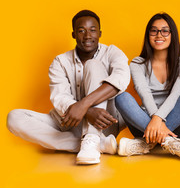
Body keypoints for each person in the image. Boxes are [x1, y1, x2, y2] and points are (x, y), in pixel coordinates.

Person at [7, 10, 130, 165]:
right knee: (14, 118)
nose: (87, 36)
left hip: (102, 122)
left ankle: (92, 139)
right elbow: (60, 98)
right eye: (81, 31)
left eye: (92, 30)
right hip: (69, 121)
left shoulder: (112, 52)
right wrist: (87, 112)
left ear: (100, 33)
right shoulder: (60, 61)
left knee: (93, 65)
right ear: (73, 34)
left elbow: (121, 80)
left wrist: (84, 105)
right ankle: (97, 145)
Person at [115, 13, 180, 160]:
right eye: (154, 30)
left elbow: (176, 94)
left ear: (172, 34)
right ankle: (169, 142)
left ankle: (145, 144)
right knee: (121, 97)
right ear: (148, 35)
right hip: (144, 125)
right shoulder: (137, 63)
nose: (159, 35)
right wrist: (155, 120)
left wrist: (159, 118)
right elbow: (144, 93)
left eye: (165, 31)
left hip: (179, 125)